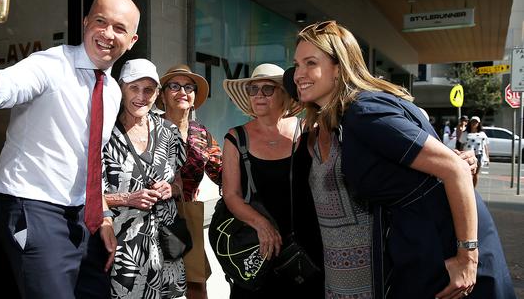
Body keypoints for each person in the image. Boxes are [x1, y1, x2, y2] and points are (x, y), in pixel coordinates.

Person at [0, 0, 141, 298]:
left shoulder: (113, 90)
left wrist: (102, 217)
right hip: (34, 207)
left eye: (119, 28)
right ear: (86, 22)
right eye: (100, 21)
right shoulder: (51, 65)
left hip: (82, 217)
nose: (107, 33)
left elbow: (92, 159)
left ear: (131, 40)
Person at [289, 20, 515, 298]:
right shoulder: (346, 119)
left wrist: (467, 258)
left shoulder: (364, 113)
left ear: (339, 67)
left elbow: (454, 169)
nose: (298, 74)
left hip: (446, 244)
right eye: (297, 65)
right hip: (419, 241)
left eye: (310, 63)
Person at [221, 63, 324, 298]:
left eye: (267, 89)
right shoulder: (236, 137)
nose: (259, 95)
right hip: (259, 247)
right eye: (253, 89)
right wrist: (260, 224)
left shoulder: (307, 130)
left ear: (284, 94)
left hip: (307, 246)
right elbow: (231, 195)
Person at [103, 59, 187, 299]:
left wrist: (171, 188)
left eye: (148, 89)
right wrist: (128, 198)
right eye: (134, 88)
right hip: (125, 250)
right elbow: (90, 193)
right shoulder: (105, 133)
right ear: (120, 88)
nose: (141, 96)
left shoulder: (168, 131)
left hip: (167, 245)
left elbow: (180, 182)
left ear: (157, 93)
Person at [156, 64, 223, 299]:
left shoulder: (200, 132)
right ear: (163, 95)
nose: (182, 91)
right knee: (157, 287)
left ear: (194, 97)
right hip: (153, 216)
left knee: (196, 286)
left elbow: (223, 171)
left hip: (188, 215)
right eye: (174, 86)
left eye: (188, 87)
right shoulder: (150, 128)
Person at [463, 116, 490, 186]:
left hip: (478, 155)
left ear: (478, 124)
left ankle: (473, 189)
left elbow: (485, 146)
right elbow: (461, 144)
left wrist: (487, 157)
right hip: (468, 155)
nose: (474, 123)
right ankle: (468, 188)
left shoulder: (482, 134)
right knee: (468, 173)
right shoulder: (465, 133)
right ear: (470, 123)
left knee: (475, 174)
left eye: (476, 122)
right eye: (473, 122)